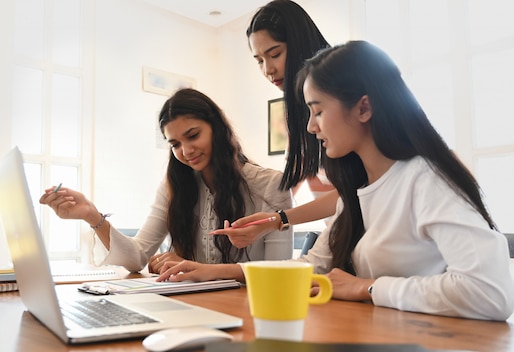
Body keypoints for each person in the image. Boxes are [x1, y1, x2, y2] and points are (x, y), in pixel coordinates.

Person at [157, 41, 514, 321]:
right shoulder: (355, 193)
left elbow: (491, 293)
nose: (311, 127)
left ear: (363, 108)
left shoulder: (425, 179)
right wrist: (212, 272)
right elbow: (309, 269)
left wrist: (368, 288)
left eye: (318, 111)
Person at [39, 88, 294, 274]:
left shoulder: (272, 185)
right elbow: (137, 256)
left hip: (251, 310)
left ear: (217, 128)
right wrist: (92, 216)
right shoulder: (174, 187)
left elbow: (278, 271)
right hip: (192, 306)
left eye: (193, 135)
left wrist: (197, 269)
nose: (186, 150)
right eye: (175, 144)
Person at [215, 0, 338, 249]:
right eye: (259, 60)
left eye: (275, 54)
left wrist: (276, 219)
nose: (268, 70)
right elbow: (281, 187)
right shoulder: (297, 119)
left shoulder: (340, 101)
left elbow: (353, 197)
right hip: (341, 240)